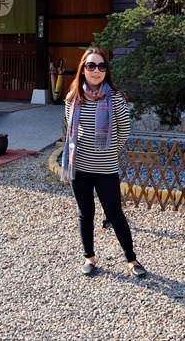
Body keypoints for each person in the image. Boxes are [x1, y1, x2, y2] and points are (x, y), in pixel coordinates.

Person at [60, 47, 147, 278]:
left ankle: (131, 259)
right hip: (79, 168)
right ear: (83, 69)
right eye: (91, 65)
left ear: (106, 70)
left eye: (101, 66)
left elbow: (124, 129)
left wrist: (109, 152)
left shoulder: (115, 97)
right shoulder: (72, 98)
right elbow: (71, 131)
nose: (96, 70)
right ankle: (89, 257)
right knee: (85, 213)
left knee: (115, 213)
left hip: (105, 168)